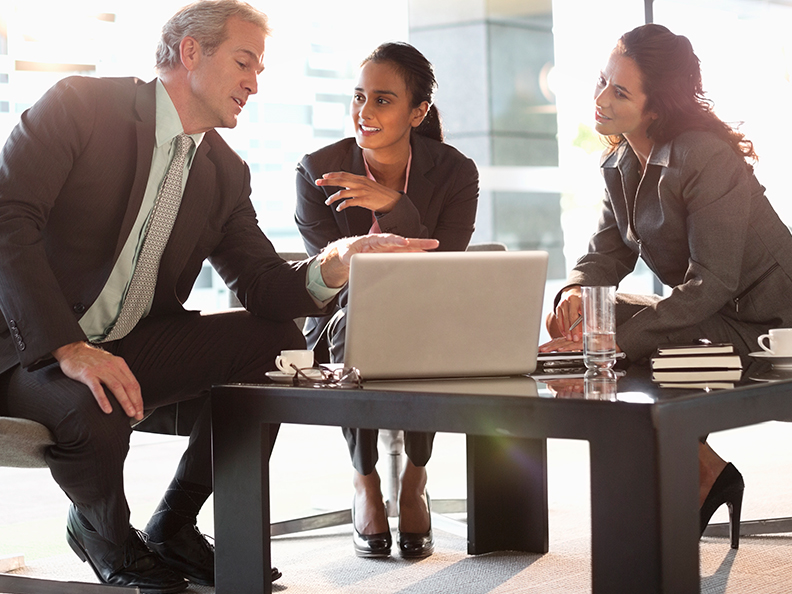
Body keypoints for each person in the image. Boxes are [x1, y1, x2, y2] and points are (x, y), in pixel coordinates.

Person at [0, 2, 438, 592]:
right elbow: (8, 219)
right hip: (25, 349)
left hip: (129, 344)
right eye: (243, 62)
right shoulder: (80, 106)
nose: (254, 83)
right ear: (189, 53)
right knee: (90, 402)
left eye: (259, 68)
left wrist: (335, 264)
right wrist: (68, 346)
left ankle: (174, 525)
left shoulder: (224, 172)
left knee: (276, 343)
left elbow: (261, 283)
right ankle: (106, 534)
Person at [541, 23, 792, 547]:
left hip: (771, 323)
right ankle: (701, 470)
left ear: (656, 107)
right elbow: (608, 252)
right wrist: (574, 296)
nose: (600, 98)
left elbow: (713, 279)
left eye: (620, 90)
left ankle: (689, 475)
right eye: (602, 81)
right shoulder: (621, 160)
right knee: (602, 320)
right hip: (719, 311)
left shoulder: (704, 156)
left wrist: (614, 338)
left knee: (624, 339)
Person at [295, 41, 479, 559]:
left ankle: (416, 474)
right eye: (358, 97)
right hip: (339, 320)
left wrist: (395, 206)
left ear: (417, 112)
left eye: (382, 100)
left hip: (429, 311)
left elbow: (441, 265)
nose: (364, 112)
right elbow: (331, 279)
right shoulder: (318, 171)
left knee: (424, 317)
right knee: (361, 317)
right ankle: (365, 479)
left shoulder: (455, 172)